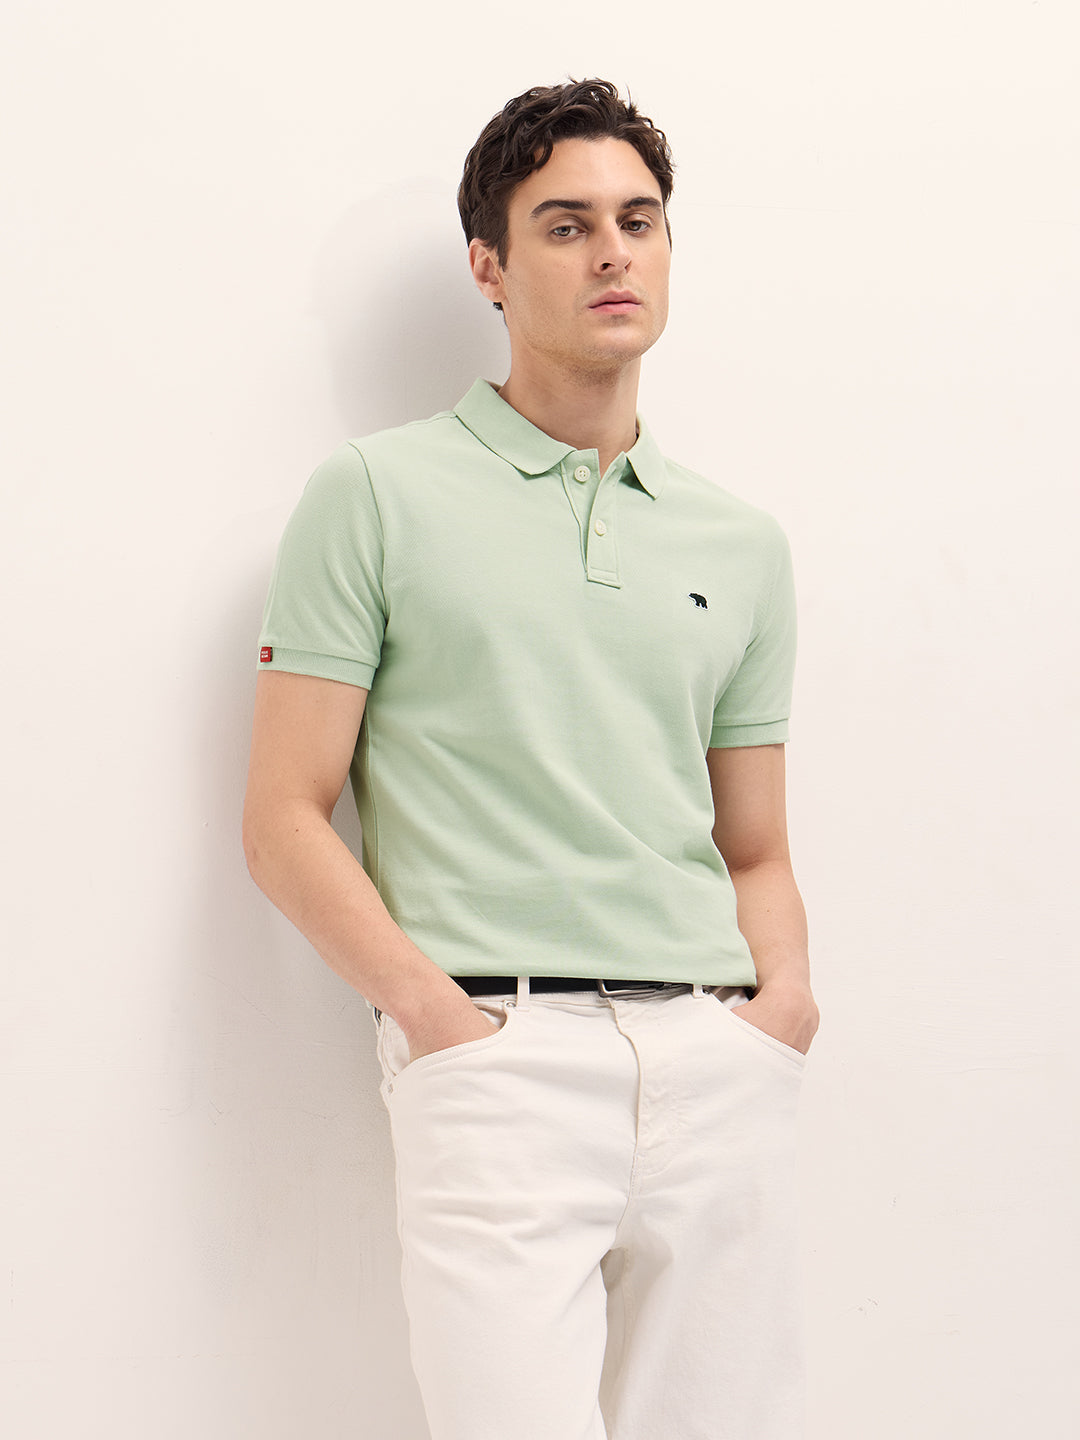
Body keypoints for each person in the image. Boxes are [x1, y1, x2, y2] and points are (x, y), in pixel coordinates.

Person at [243, 78, 819, 1440]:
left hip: (718, 1063)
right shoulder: (375, 494)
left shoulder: (741, 543)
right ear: (489, 267)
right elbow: (284, 816)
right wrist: (435, 1021)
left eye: (639, 219)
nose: (614, 251)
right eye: (566, 225)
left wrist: (780, 1011)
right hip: (497, 1064)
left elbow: (754, 843)